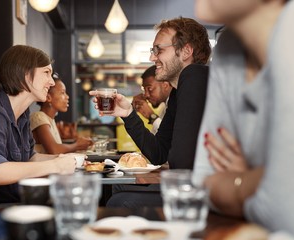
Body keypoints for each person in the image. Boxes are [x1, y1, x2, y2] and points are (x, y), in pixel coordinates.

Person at [192, 0, 294, 240]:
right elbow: (203, 181)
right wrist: (260, 180)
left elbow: (290, 216)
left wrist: (238, 183)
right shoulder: (228, 48)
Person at [90, 17, 211, 208]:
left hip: (202, 192)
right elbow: (158, 153)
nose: (152, 58)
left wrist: (156, 176)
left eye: (159, 50)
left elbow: (182, 163)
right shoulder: (179, 92)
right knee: (118, 190)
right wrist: (128, 114)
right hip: (188, 185)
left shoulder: (195, 75)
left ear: (186, 51)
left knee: (120, 200)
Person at [0, 45, 76, 207]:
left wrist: (68, 160)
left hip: (13, 201)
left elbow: (31, 157)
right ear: (25, 75)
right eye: (46, 73)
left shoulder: (21, 115)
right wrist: (55, 165)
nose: (51, 82)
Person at [30, 72, 93, 154]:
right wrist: (77, 145)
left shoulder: (50, 119)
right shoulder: (38, 116)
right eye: (63, 93)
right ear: (48, 97)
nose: (67, 97)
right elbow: (54, 150)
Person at [132, 65, 172, 135]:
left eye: (149, 89)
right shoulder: (165, 107)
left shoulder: (178, 105)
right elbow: (156, 138)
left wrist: (151, 116)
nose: (146, 95)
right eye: (144, 90)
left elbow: (172, 137)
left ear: (165, 85)